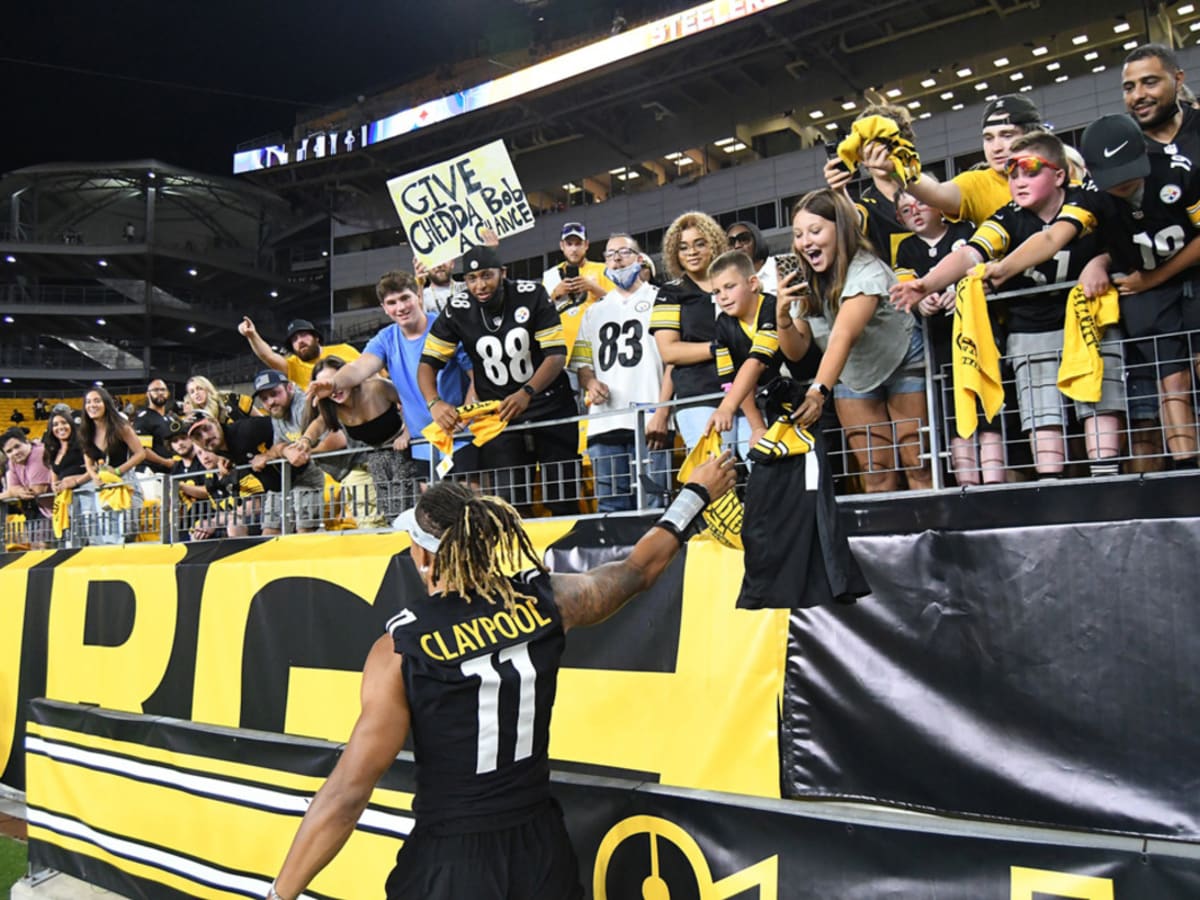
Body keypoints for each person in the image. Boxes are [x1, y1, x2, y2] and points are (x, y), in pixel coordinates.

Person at [263, 451, 737, 900]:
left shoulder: (399, 649)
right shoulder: (545, 600)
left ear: (424, 556)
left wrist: (280, 892)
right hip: (540, 847)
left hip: (453, 860)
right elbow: (638, 569)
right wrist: (694, 493)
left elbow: (348, 793)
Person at [893, 132, 1126, 479]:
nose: (1018, 180)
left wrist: (1100, 261)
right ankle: (1052, 491)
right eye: (1012, 173)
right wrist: (926, 284)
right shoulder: (1006, 217)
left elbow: (1051, 238)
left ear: (1059, 175)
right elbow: (970, 253)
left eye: (1031, 170)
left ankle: (1109, 487)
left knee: (1099, 409)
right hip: (1031, 328)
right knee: (1043, 420)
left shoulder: (1084, 198)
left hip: (1089, 322)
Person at [982, 115, 1199, 469]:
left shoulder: (1180, 171)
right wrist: (1003, 269)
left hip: (1180, 278)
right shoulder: (1092, 196)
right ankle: (1188, 469)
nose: (1122, 183)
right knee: (1171, 380)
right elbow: (1053, 236)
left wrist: (1151, 277)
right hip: (1147, 294)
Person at [786, 189, 932, 492]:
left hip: (901, 358)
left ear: (840, 229)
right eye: (799, 234)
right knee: (874, 470)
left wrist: (817, 392)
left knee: (918, 462)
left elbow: (843, 334)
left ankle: (931, 537)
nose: (805, 242)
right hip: (851, 372)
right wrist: (781, 318)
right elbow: (797, 350)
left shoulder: (866, 268)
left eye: (815, 231)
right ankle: (889, 538)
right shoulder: (804, 278)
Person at [419, 245, 581, 516]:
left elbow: (555, 355)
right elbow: (427, 363)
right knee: (510, 505)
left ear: (502, 272)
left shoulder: (532, 294)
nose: (480, 285)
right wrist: (434, 402)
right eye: (472, 279)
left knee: (562, 498)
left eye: (487, 275)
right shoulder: (458, 308)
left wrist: (527, 391)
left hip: (549, 404)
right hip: (500, 416)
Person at [309, 270, 476, 486]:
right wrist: (333, 383)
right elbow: (360, 367)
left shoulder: (446, 328)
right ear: (384, 308)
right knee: (434, 514)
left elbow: (476, 375)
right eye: (392, 302)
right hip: (422, 444)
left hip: (460, 439)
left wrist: (467, 414)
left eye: (405, 298)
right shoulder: (385, 339)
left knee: (471, 505)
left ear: (418, 295)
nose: (401, 307)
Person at [891, 193, 997, 484]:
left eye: (921, 203)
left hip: (978, 336)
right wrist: (919, 302)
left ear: (940, 205)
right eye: (905, 210)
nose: (915, 212)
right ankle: (967, 482)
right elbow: (905, 289)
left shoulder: (966, 231)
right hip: (940, 345)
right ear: (899, 219)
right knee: (951, 411)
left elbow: (987, 270)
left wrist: (964, 289)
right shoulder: (906, 249)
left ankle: (995, 479)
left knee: (988, 407)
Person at [570, 234, 673, 511]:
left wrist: (663, 412)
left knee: (655, 505)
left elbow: (673, 361)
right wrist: (590, 382)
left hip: (650, 420)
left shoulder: (661, 299)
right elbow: (582, 365)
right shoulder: (594, 312)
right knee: (611, 509)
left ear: (640, 259)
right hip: (605, 421)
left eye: (624, 252)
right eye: (610, 254)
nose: (616, 259)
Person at [863, 94, 1042, 229]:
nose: (996, 147)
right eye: (988, 138)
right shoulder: (977, 183)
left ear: (1033, 136)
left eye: (1007, 135)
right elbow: (935, 192)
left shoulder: (1064, 170)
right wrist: (896, 166)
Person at [704, 250, 815, 450]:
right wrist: (757, 427)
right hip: (775, 405)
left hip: (811, 397)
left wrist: (727, 407)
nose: (723, 297)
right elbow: (736, 380)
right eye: (717, 291)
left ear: (753, 283)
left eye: (729, 286)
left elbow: (757, 362)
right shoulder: (722, 324)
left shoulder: (772, 307)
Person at [650, 211, 731, 451]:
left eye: (699, 244)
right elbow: (670, 354)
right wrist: (719, 347)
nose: (692, 252)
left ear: (714, 244)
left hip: (745, 392)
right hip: (698, 395)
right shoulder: (670, 292)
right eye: (683, 247)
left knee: (760, 468)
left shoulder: (731, 283)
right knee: (716, 472)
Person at [303, 356, 417, 520]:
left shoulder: (376, 387)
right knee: (390, 512)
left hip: (405, 450)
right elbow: (319, 424)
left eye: (335, 381)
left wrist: (408, 431)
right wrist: (304, 441)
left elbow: (410, 401)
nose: (332, 389)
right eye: (324, 385)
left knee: (405, 506)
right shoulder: (333, 407)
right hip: (376, 456)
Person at [824, 103, 919, 266]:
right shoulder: (867, 207)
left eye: (887, 144)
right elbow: (854, 220)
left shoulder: (929, 194)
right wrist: (839, 191)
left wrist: (895, 170)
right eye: (870, 145)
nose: (880, 152)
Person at [77, 386, 147, 544]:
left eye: (97, 401)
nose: (92, 405)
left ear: (106, 403)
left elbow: (140, 453)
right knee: (107, 537)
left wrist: (117, 471)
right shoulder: (86, 432)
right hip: (103, 489)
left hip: (126, 484)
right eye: (88, 402)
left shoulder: (121, 427)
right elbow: (88, 463)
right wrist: (94, 477)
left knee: (127, 533)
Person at [541, 222, 615, 368]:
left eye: (578, 244)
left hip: (598, 344)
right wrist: (556, 293)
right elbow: (540, 312)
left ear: (586, 245)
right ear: (562, 246)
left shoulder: (603, 270)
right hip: (564, 350)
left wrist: (594, 288)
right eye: (569, 244)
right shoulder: (550, 276)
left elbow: (618, 304)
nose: (574, 249)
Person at [1123, 43, 1200, 161]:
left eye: (1150, 83)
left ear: (1178, 80)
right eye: (1129, 88)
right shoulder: (1122, 150)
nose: (1137, 95)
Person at [238, 317, 361, 390]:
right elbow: (268, 356)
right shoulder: (292, 366)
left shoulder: (344, 350)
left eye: (303, 335)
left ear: (316, 338)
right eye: (294, 339)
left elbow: (374, 372)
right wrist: (252, 335)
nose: (300, 341)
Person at [1, 427, 53, 548]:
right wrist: (15, 492)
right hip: (38, 509)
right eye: (9, 451)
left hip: (55, 509)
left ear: (27, 443)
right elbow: (13, 488)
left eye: (17, 446)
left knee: (43, 548)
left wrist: (14, 492)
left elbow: (37, 490)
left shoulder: (38, 453)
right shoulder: (13, 461)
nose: (14, 452)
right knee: (35, 548)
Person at [44, 411, 89, 546]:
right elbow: (55, 476)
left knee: (88, 538)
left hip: (85, 497)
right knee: (69, 541)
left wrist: (76, 481)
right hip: (65, 502)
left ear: (71, 424)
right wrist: (55, 485)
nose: (60, 427)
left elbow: (95, 469)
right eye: (55, 424)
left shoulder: (83, 443)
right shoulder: (53, 450)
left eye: (64, 423)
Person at [133, 378, 176, 477]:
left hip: (169, 473)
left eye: (163, 390)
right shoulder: (144, 418)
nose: (160, 393)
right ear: (148, 394)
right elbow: (142, 450)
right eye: (156, 390)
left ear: (168, 393)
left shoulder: (170, 419)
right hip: (149, 473)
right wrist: (165, 462)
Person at [725, 221, 777, 294]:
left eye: (744, 239)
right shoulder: (727, 280)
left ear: (756, 240)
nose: (737, 246)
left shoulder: (778, 266)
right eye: (731, 242)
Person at [185, 375, 254, 423]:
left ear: (208, 388)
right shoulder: (196, 418)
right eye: (192, 392)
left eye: (200, 388)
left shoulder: (231, 399)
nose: (196, 393)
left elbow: (261, 420)